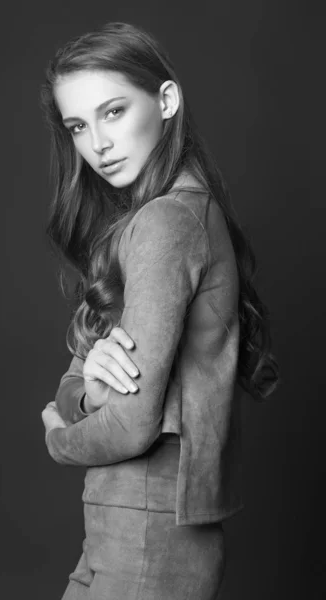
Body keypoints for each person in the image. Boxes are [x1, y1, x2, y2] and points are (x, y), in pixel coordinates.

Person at [40, 21, 279, 600]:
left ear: (165, 100)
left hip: (149, 531)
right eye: (78, 125)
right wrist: (85, 393)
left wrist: (56, 430)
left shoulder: (168, 222)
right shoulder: (150, 222)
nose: (96, 142)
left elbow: (130, 423)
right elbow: (87, 376)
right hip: (120, 521)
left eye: (114, 111)